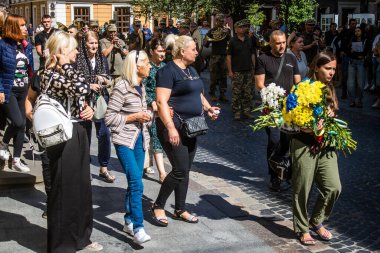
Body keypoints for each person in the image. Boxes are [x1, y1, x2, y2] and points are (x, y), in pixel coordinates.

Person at [39, 31, 102, 252]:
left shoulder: (70, 72)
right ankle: (62, 244)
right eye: (73, 48)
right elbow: (81, 88)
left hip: (78, 130)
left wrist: (88, 108)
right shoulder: (49, 74)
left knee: (82, 186)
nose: (77, 51)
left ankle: (82, 237)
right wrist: (64, 64)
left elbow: (81, 96)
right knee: (64, 188)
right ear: (61, 52)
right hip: (62, 135)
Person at [151, 35, 220, 226]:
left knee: (185, 169)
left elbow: (198, 93)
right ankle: (158, 205)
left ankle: (180, 208)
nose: (197, 52)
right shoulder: (167, 71)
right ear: (182, 51)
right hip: (174, 127)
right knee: (180, 169)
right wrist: (170, 127)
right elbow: (161, 101)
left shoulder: (192, 70)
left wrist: (209, 109)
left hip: (192, 127)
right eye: (194, 49)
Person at [291, 51, 341, 246]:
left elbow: (332, 117)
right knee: (302, 188)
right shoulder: (302, 87)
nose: (331, 73)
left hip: (326, 144)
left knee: (334, 187)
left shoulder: (329, 88)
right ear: (316, 68)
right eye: (328, 68)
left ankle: (316, 220)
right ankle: (302, 228)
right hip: (303, 143)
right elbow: (289, 120)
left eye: (334, 69)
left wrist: (330, 119)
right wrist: (306, 125)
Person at [105, 50, 153, 244]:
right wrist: (134, 117)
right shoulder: (121, 87)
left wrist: (149, 115)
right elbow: (109, 118)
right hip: (124, 141)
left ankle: (128, 220)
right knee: (137, 183)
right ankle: (138, 228)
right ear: (137, 66)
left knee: (134, 181)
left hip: (140, 140)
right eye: (147, 63)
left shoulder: (141, 86)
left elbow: (142, 117)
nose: (150, 66)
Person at [255, 30, 301, 191]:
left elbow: (297, 82)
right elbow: (259, 84)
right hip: (271, 107)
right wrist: (271, 95)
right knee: (274, 140)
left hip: (289, 107)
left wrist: (294, 97)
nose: (281, 46)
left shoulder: (291, 58)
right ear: (270, 43)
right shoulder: (263, 59)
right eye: (277, 43)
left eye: (283, 43)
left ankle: (284, 171)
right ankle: (274, 176)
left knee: (287, 141)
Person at [76, 31, 115, 183]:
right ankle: (85, 169)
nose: (93, 46)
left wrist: (103, 79)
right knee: (85, 136)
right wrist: (88, 84)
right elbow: (75, 80)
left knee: (105, 134)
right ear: (84, 44)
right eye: (90, 43)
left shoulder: (101, 58)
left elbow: (108, 77)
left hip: (100, 100)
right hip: (83, 101)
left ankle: (103, 167)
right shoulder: (78, 59)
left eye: (95, 43)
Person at [0, 14, 34, 172]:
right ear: (13, 27)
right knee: (18, 122)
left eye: (25, 25)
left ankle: (17, 160)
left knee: (21, 127)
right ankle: (4, 143)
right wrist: (0, 89)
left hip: (24, 90)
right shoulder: (3, 45)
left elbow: (30, 68)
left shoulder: (26, 45)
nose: (25, 28)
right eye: (21, 25)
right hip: (9, 89)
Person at [143, 38, 167, 182]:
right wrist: (151, 102)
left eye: (164, 51)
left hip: (163, 106)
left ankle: (158, 169)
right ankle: (161, 172)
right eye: (159, 51)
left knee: (158, 137)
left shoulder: (165, 67)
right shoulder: (147, 67)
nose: (162, 54)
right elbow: (142, 88)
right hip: (150, 108)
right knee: (151, 137)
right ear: (151, 51)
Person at [226, 19, 255, 120]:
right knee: (236, 93)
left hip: (248, 70)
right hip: (237, 71)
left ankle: (247, 111)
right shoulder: (232, 41)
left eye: (244, 27)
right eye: (241, 27)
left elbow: (252, 54)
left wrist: (254, 67)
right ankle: (237, 111)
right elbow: (229, 57)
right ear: (236, 29)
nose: (243, 28)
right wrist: (230, 71)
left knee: (248, 92)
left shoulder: (249, 39)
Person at [204, 14, 231, 102]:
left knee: (223, 76)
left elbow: (230, 42)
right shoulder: (211, 31)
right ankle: (212, 94)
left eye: (223, 21)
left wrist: (228, 33)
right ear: (216, 21)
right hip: (215, 56)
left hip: (224, 56)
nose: (221, 22)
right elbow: (206, 45)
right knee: (214, 76)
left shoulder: (226, 31)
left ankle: (222, 94)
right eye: (220, 21)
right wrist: (207, 40)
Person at [347, 27, 370, 108]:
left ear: (362, 32)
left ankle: (359, 100)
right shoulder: (352, 39)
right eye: (355, 31)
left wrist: (361, 54)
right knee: (351, 83)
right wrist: (351, 51)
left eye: (358, 31)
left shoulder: (365, 40)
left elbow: (367, 51)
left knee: (360, 83)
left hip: (361, 62)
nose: (356, 32)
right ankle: (352, 100)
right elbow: (348, 50)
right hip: (352, 61)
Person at [336, 18, 357, 99]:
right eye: (352, 23)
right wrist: (340, 51)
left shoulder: (357, 32)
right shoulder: (344, 32)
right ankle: (344, 93)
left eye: (355, 23)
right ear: (349, 24)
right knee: (345, 75)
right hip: (346, 56)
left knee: (354, 76)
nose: (354, 25)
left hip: (355, 56)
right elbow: (336, 41)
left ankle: (352, 94)